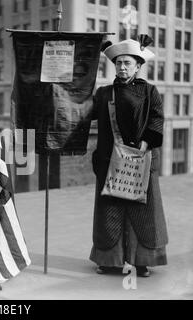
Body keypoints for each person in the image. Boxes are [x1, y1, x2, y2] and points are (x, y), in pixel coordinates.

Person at [89, 36, 168, 277]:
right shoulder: (104, 94)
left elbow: (156, 119)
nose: (122, 67)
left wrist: (144, 145)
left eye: (127, 63)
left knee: (141, 212)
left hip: (140, 159)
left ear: (138, 66)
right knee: (110, 210)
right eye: (119, 63)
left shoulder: (150, 91)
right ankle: (109, 260)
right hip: (109, 160)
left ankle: (141, 261)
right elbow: (84, 114)